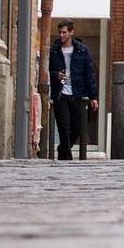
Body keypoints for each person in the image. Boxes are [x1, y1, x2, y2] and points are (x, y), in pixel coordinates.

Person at [47, 21, 97, 160]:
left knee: (77, 127)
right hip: (60, 93)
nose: (61, 35)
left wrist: (93, 96)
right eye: (60, 32)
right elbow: (47, 70)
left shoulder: (82, 50)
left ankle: (63, 149)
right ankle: (67, 159)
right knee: (63, 127)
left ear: (71, 32)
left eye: (64, 32)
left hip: (77, 94)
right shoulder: (54, 50)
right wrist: (56, 75)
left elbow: (89, 74)